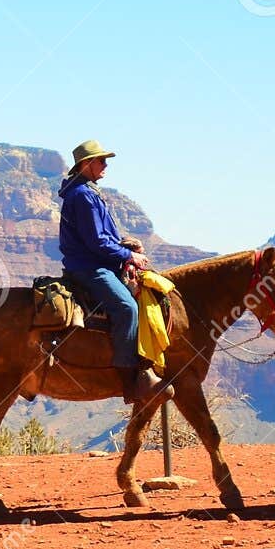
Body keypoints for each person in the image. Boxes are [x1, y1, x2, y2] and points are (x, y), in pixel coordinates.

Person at [57, 140, 171, 405]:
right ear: (86, 164)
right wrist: (129, 256)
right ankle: (130, 379)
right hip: (89, 268)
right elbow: (96, 242)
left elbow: (103, 238)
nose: (106, 165)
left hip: (98, 263)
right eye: (101, 160)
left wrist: (125, 248)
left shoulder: (86, 192)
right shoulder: (84, 195)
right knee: (127, 308)